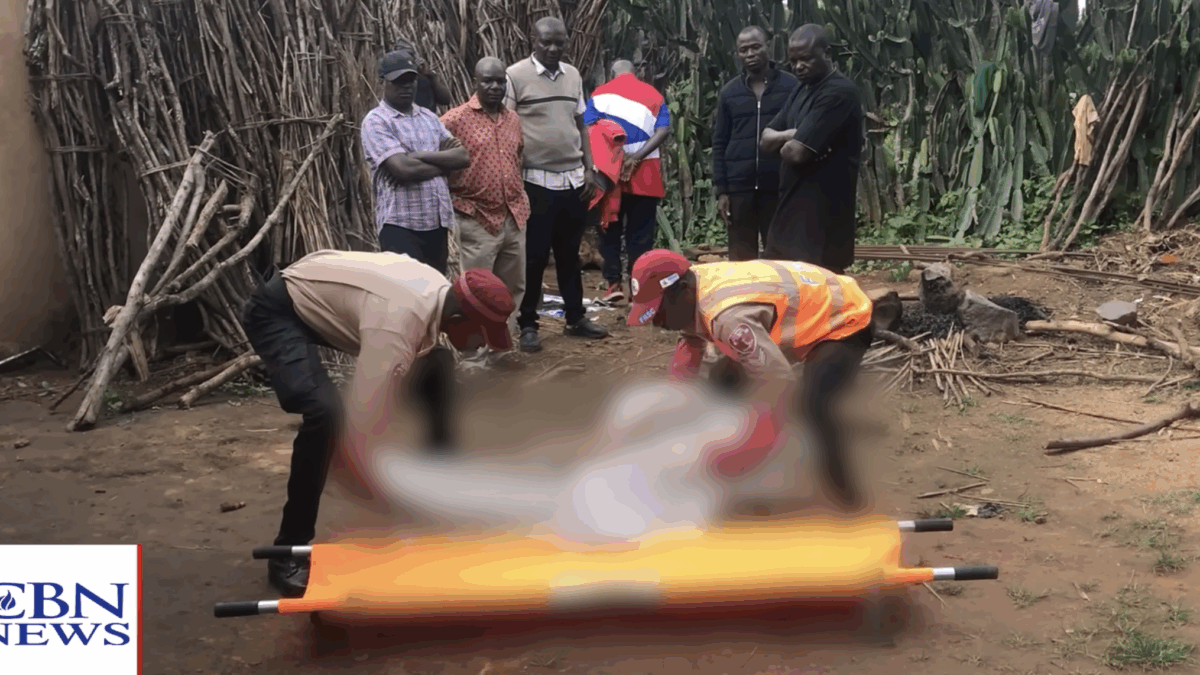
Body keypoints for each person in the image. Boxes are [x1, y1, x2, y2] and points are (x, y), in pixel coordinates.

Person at [240, 249, 516, 597]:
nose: (480, 345)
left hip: (328, 296)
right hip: (279, 312)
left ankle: (441, 495)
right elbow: (366, 424)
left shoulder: (437, 295)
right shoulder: (397, 325)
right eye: (482, 334)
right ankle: (286, 552)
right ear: (459, 317)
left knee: (438, 369)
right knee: (326, 417)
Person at [624, 249, 876, 511]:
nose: (657, 322)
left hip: (843, 317)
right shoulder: (693, 284)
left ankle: (847, 502)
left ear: (683, 290)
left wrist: (738, 459)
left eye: (658, 312)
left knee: (813, 408)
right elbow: (688, 351)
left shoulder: (728, 319)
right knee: (722, 385)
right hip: (805, 304)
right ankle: (725, 473)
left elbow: (779, 385)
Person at [505, 16, 609, 352]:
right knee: (534, 257)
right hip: (535, 181)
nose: (552, 48)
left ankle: (575, 318)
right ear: (533, 42)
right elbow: (506, 126)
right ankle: (528, 325)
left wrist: (589, 169)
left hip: (573, 181)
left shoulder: (573, 75)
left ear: (566, 43)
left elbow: (581, 126)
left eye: (559, 43)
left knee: (569, 255)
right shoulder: (515, 75)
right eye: (545, 42)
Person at [759, 24, 864, 274]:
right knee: (784, 280)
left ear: (826, 53)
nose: (797, 67)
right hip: (791, 207)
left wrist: (785, 143)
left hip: (822, 215)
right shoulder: (801, 89)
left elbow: (796, 153)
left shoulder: (839, 92)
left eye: (805, 59)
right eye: (793, 61)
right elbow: (764, 139)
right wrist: (791, 134)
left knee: (820, 285)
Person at [440, 57, 530, 336]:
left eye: (500, 81)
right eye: (487, 81)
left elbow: (518, 158)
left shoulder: (512, 119)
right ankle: (475, 357)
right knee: (476, 290)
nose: (494, 87)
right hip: (475, 218)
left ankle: (501, 346)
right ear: (475, 82)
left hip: (513, 216)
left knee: (512, 287)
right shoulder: (454, 120)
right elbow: (437, 161)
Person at [361, 51, 470, 275]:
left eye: (410, 80)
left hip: (436, 224)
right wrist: (443, 164)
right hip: (400, 225)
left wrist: (419, 155)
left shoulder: (429, 118)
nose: (407, 87)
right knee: (404, 294)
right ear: (382, 82)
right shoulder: (377, 121)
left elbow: (462, 157)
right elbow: (403, 169)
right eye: (399, 82)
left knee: (434, 293)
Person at [583, 59, 671, 303]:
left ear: (611, 73)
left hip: (610, 173)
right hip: (646, 171)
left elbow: (588, 129)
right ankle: (639, 287)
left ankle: (613, 284)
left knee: (609, 228)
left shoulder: (599, 95)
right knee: (640, 234)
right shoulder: (654, 95)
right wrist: (637, 156)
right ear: (637, 73)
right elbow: (664, 130)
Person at [712, 26, 799, 261]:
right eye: (743, 50)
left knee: (781, 255)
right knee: (741, 258)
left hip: (778, 186)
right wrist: (722, 191)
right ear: (738, 55)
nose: (750, 54)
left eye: (755, 47)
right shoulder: (730, 92)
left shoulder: (791, 87)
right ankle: (745, 298)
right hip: (740, 189)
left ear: (767, 47)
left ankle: (779, 298)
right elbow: (720, 142)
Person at [393, 37, 453, 111]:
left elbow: (446, 100)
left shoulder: (424, 75)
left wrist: (431, 76)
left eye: (409, 56)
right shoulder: (394, 78)